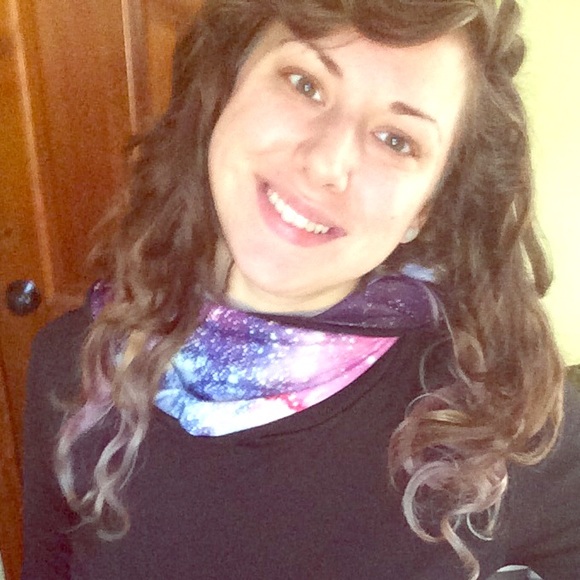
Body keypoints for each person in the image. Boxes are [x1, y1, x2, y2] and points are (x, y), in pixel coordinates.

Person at [22, 0, 580, 578]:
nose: (325, 164)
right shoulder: (73, 369)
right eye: (304, 83)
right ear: (229, 86)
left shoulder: (492, 414)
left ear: (425, 210)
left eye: (396, 140)